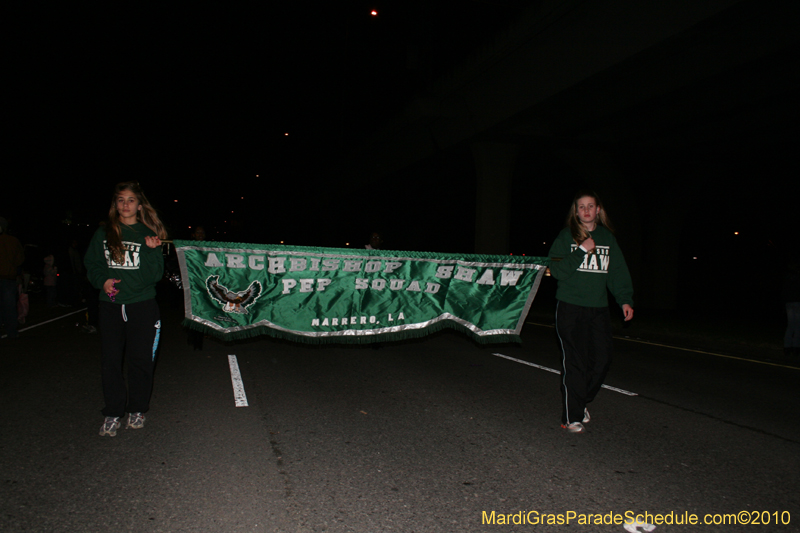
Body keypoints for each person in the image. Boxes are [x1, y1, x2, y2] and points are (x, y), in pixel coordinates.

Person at [84, 182, 167, 437]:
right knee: (110, 361)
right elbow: (92, 264)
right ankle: (112, 413)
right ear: (115, 204)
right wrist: (103, 281)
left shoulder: (147, 233)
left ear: (139, 206)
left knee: (140, 361)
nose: (126, 204)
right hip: (110, 307)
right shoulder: (104, 233)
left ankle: (138, 409)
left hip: (141, 306)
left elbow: (155, 276)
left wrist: (154, 251)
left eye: (131, 200)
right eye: (121, 200)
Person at [547, 190, 634, 433]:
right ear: (575, 212)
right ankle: (571, 417)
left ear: (598, 210)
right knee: (575, 362)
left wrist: (624, 300)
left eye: (591, 206)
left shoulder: (608, 238)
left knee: (603, 359)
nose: (586, 210)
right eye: (581, 206)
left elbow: (617, 272)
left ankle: (581, 399)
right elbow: (556, 271)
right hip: (570, 307)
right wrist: (582, 250)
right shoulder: (567, 237)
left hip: (598, 310)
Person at [0, 217, 25, 340]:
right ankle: (12, 332)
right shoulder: (13, 241)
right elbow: (20, 259)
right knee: (9, 306)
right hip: (8, 277)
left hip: (7, 277)